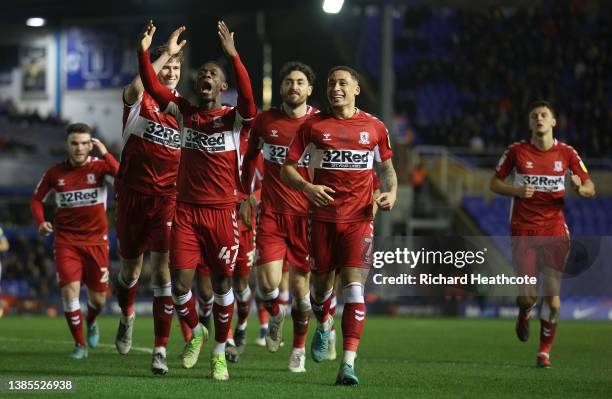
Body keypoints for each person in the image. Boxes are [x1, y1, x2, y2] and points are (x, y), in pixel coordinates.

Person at [137, 20, 257, 380]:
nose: (206, 76)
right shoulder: (184, 113)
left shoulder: (235, 120)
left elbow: (250, 100)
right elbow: (154, 88)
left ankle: (219, 352)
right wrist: (145, 52)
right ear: (195, 83)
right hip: (186, 211)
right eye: (201, 73)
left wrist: (234, 58)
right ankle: (198, 331)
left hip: (223, 213)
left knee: (222, 286)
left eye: (213, 74)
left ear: (222, 86)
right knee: (179, 286)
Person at [281, 66, 397, 385]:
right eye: (331, 82)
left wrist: (391, 192)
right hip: (321, 221)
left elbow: (387, 169)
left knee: (354, 287)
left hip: (359, 221)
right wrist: (307, 188)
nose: (335, 87)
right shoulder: (312, 126)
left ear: (356, 89)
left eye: (343, 83)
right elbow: (286, 169)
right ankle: (324, 322)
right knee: (320, 292)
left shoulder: (374, 127)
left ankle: (348, 363)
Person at [490, 100, 595, 368]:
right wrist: (516, 191)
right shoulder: (516, 151)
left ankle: (544, 352)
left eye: (544, 115)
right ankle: (524, 312)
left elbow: (590, 187)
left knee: (554, 299)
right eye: (534, 115)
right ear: (529, 123)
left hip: (554, 229)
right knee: (528, 297)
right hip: (523, 229)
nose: (539, 118)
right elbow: (494, 183)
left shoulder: (567, 154)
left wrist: (579, 189)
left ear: (553, 122)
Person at [113, 22, 190, 375]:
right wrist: (160, 56)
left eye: (177, 67)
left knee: (163, 273)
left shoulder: (183, 111)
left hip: (167, 201)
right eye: (168, 66)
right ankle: (127, 315)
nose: (172, 71)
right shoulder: (139, 99)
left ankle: (159, 349)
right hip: (131, 196)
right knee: (130, 272)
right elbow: (136, 86)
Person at [242, 61, 318, 372]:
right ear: (282, 87)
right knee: (266, 285)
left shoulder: (320, 123)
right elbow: (248, 159)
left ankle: (298, 349)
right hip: (272, 213)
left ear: (309, 90)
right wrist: (245, 193)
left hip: (307, 217)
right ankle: (275, 314)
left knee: (302, 295)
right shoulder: (264, 121)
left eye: (300, 82)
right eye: (288, 81)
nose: (294, 86)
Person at [30, 123, 119, 359]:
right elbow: (37, 199)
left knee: (98, 300)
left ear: (91, 145)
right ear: (67, 146)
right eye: (74, 143)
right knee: (70, 293)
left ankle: (91, 320)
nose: (79, 148)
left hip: (97, 242)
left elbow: (123, 177)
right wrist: (41, 222)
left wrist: (107, 154)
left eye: (84, 143)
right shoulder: (54, 173)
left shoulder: (100, 168)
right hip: (66, 241)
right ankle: (80, 345)